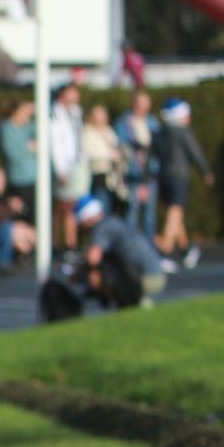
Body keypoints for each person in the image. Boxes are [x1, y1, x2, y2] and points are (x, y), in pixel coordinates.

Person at [153, 97, 212, 270]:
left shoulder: (160, 131)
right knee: (175, 210)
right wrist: (206, 171)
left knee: (175, 213)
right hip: (178, 176)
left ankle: (185, 250)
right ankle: (165, 251)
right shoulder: (182, 131)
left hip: (163, 176)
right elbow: (195, 152)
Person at [79, 194, 166, 308]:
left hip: (146, 278)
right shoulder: (114, 221)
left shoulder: (102, 227)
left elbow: (93, 258)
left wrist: (79, 272)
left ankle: (136, 301)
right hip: (157, 274)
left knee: (99, 270)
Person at [49, 81, 88, 249]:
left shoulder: (75, 112)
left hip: (77, 163)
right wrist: (61, 169)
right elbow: (56, 144)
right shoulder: (54, 114)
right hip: (65, 166)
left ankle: (67, 242)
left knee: (71, 205)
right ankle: (64, 243)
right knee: (65, 206)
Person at [115, 90, 158, 238]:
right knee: (132, 212)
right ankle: (129, 244)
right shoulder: (125, 123)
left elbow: (157, 146)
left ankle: (148, 246)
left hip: (150, 172)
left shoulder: (152, 122)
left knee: (149, 214)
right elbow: (122, 146)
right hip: (133, 173)